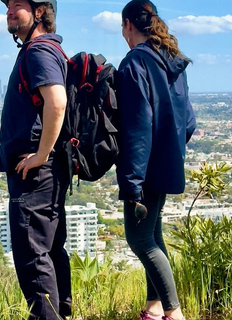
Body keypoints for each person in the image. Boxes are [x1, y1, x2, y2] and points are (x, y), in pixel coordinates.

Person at [116, 1, 196, 320]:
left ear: (127, 25)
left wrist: (132, 183)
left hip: (145, 168)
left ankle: (173, 314)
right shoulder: (171, 60)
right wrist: (168, 149)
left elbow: (137, 127)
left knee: (139, 239)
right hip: (165, 163)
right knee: (153, 233)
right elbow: (187, 122)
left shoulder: (136, 62)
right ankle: (154, 307)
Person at [0, 0, 71, 319]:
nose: (10, 11)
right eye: (8, 6)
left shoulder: (38, 51)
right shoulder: (44, 49)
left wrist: (41, 155)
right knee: (49, 251)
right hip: (44, 171)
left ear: (39, 12)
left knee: (33, 257)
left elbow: (57, 102)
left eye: (18, 5)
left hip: (35, 174)